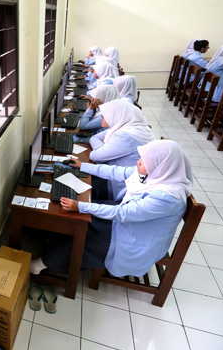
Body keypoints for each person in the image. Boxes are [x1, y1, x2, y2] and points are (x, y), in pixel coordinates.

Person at [30, 140, 192, 277]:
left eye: (144, 160)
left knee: (84, 233)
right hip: (130, 223)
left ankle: (43, 263)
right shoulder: (159, 174)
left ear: (159, 165)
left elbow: (123, 214)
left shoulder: (168, 198)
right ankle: (53, 246)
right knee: (83, 220)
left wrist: (80, 206)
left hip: (134, 239)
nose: (138, 162)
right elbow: (116, 171)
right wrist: (82, 166)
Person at [88, 99, 155, 200]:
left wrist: (101, 150)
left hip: (119, 186)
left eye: (104, 116)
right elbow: (94, 138)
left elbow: (95, 156)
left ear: (115, 115)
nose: (101, 118)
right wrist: (102, 149)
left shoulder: (125, 136)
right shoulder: (132, 126)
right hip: (121, 177)